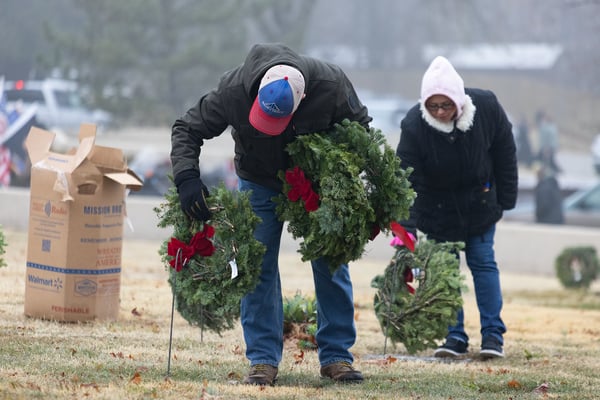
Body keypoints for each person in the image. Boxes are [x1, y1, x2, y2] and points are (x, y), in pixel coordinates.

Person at [170, 43, 370, 385]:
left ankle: (337, 357)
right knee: (256, 265)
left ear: (302, 98)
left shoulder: (331, 85)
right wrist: (187, 177)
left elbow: (361, 130)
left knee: (330, 262)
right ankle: (263, 360)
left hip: (314, 184)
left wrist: (344, 181)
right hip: (259, 180)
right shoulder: (233, 91)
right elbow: (187, 128)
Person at [396, 56, 518, 359]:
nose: (439, 112)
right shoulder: (414, 125)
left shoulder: (486, 107)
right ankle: (454, 336)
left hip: (480, 204)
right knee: (444, 271)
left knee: (483, 264)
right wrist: (405, 233)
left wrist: (506, 199)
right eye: (433, 106)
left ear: (458, 101)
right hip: (436, 212)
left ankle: (493, 335)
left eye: (445, 105)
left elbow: (505, 151)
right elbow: (406, 181)